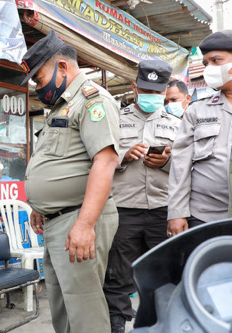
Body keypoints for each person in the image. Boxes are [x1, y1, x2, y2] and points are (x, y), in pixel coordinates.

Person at [22, 30, 120, 333]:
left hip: (79, 219)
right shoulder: (61, 107)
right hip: (58, 221)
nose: (38, 87)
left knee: (84, 313)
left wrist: (85, 225)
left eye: (39, 79)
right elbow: (61, 162)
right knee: (63, 309)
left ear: (62, 67)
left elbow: (105, 162)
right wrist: (42, 206)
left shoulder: (92, 101)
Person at [103, 60, 181, 333]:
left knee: (164, 276)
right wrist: (124, 157)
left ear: (165, 91)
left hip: (163, 210)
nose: (153, 97)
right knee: (117, 277)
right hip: (124, 210)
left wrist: (166, 163)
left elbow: (188, 167)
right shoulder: (116, 120)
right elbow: (100, 162)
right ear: (135, 88)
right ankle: (117, 326)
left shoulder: (177, 124)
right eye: (147, 90)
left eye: (158, 93)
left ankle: (159, 326)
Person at [168, 30, 232, 235]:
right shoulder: (197, 110)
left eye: (216, 60)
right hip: (204, 215)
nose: (210, 69)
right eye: (206, 64)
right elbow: (180, 164)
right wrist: (176, 212)